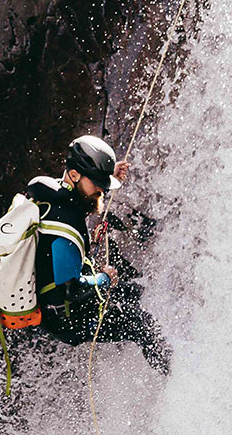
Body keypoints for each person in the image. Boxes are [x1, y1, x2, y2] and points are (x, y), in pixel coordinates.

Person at [19, 134, 170, 372]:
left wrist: (106, 178)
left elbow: (79, 200)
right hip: (67, 318)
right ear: (75, 175)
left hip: (53, 301)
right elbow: (71, 289)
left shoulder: (47, 191)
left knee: (134, 292)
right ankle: (175, 373)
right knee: (138, 323)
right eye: (97, 183)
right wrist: (105, 278)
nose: (101, 189)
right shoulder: (66, 226)